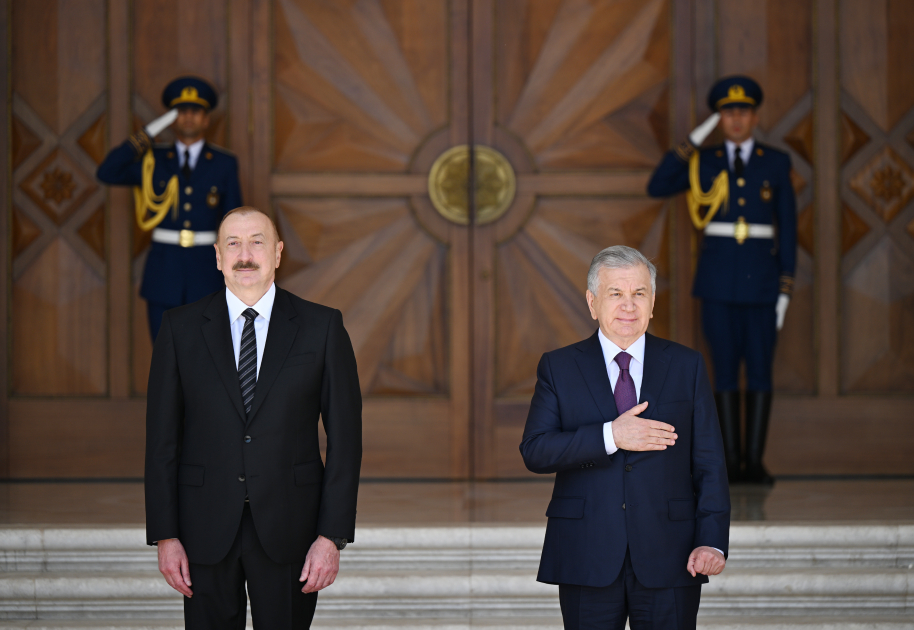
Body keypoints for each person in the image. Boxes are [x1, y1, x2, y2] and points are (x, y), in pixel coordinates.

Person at [145, 206, 362, 628]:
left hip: (292, 528)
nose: (245, 255)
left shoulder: (322, 327)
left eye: (257, 242)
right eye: (234, 244)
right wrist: (165, 534)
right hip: (203, 528)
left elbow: (346, 441)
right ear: (217, 256)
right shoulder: (179, 329)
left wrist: (331, 536)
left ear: (278, 253)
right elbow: (161, 443)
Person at [520, 245, 730, 630]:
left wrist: (711, 540)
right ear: (592, 302)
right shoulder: (559, 367)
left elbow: (710, 463)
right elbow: (536, 450)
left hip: (671, 553)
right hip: (586, 552)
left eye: (639, 293)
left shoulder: (687, 365)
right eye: (615, 293)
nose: (628, 305)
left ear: (653, 302)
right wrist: (611, 435)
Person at [646, 75, 797, 484]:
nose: (736, 119)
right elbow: (657, 185)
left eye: (743, 112)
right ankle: (730, 462)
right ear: (718, 119)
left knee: (760, 371)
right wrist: (693, 141)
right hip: (717, 283)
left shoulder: (774, 161)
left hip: (762, 284)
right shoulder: (704, 160)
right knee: (725, 371)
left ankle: (755, 462)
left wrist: (785, 286)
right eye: (727, 113)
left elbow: (788, 228)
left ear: (755, 117)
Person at [97, 76, 243, 341]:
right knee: (165, 353)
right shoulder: (154, 159)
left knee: (206, 353)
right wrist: (148, 133)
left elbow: (234, 221)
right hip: (164, 273)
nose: (188, 117)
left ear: (206, 119)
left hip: (207, 272)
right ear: (172, 119)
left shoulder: (223, 163)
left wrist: (235, 274)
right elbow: (107, 171)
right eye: (181, 111)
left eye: (195, 111)